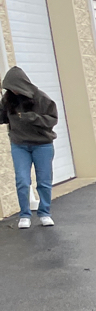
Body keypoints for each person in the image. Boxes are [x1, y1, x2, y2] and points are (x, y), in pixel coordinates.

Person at [1, 66, 58, 228]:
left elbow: (52, 120)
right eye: (9, 88)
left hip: (42, 145)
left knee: (44, 181)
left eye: (14, 88)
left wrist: (32, 118)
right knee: (22, 180)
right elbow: (3, 118)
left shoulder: (41, 98)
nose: (13, 91)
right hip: (19, 145)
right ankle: (24, 215)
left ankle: (45, 213)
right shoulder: (8, 99)